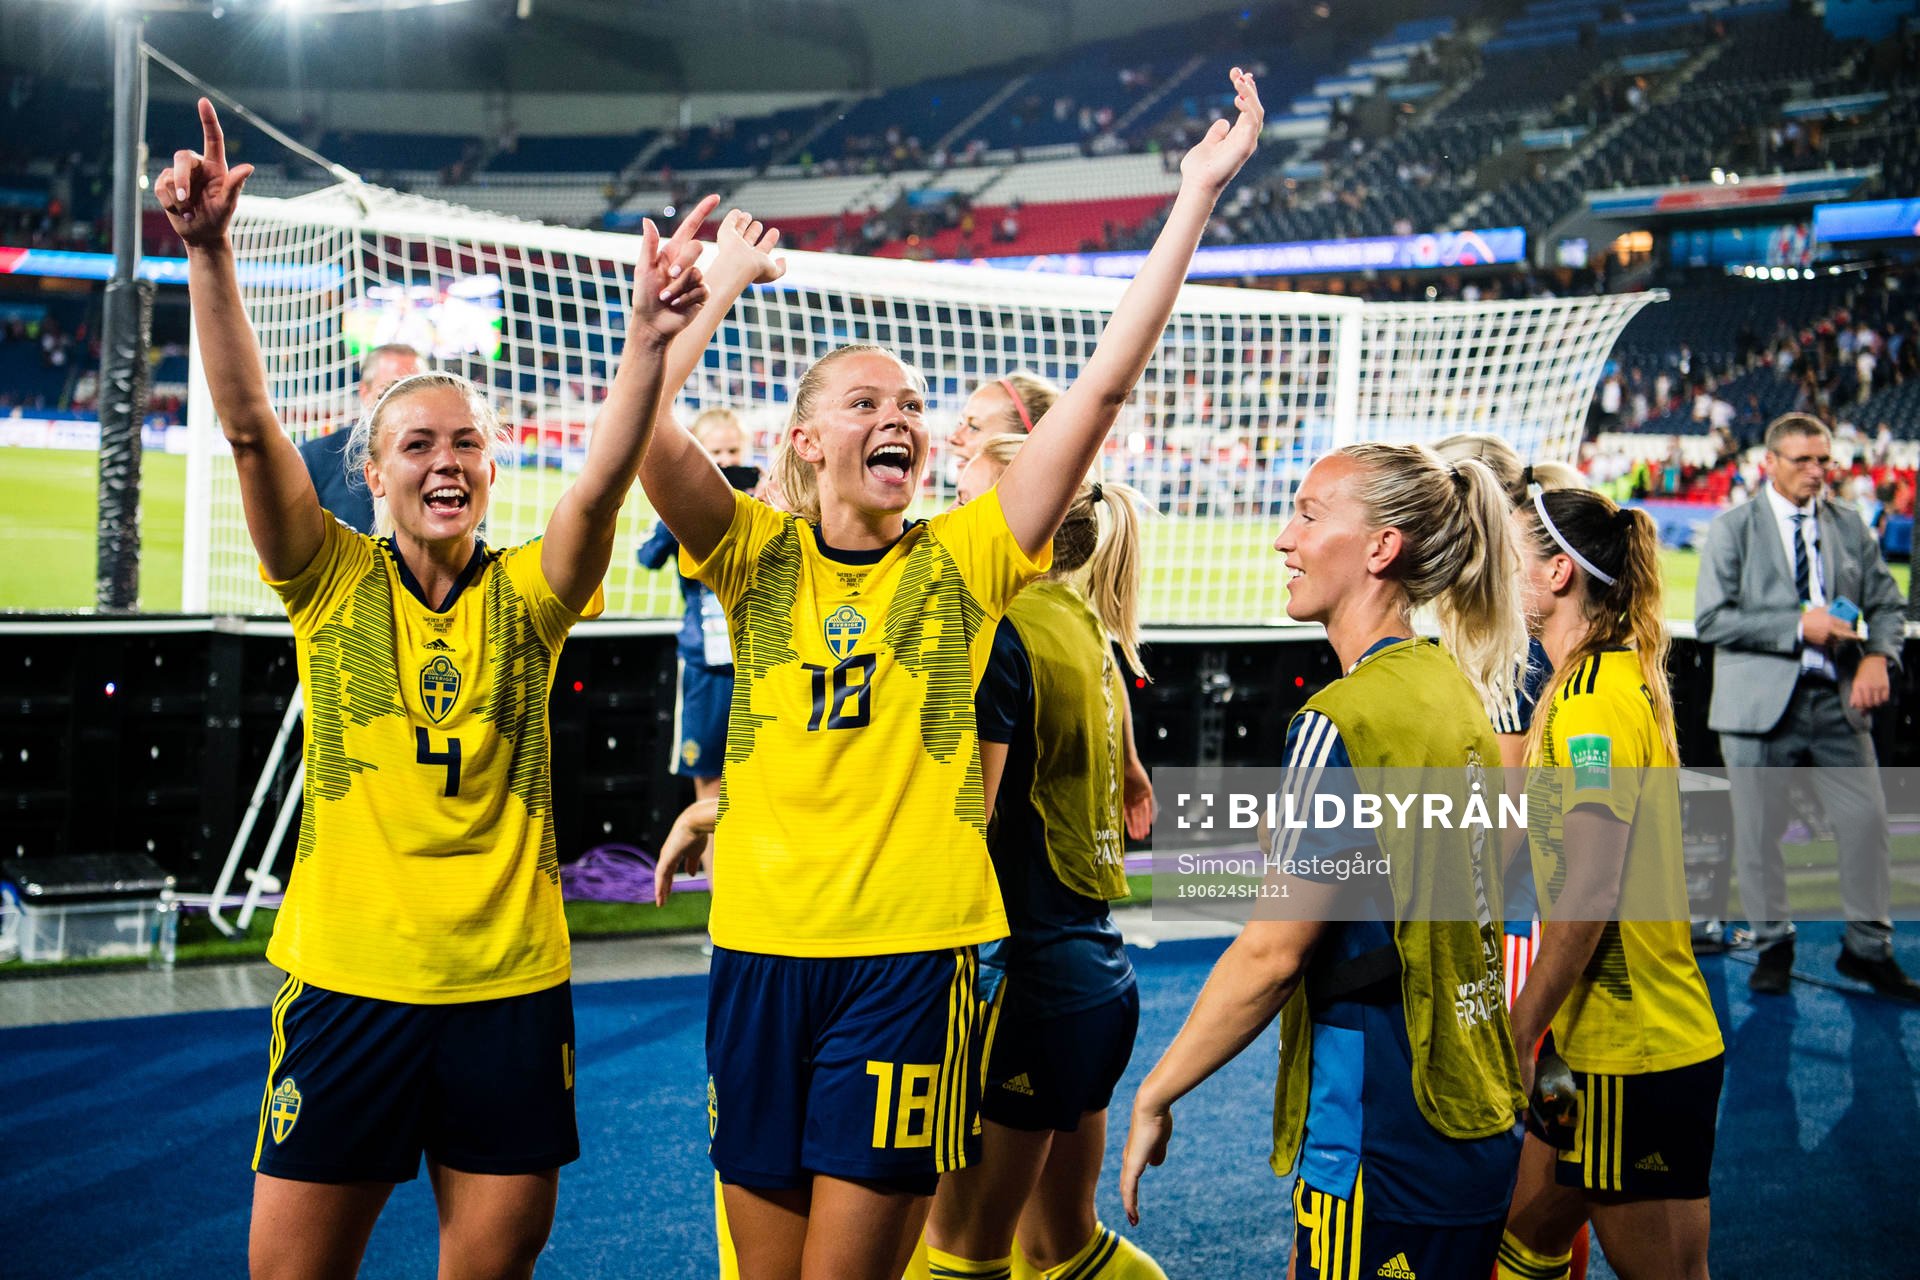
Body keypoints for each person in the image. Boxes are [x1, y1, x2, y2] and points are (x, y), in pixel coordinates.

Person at [640, 69, 1263, 1280]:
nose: (904, 417)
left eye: (914, 405)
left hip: (913, 963)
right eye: (868, 400)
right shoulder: (752, 555)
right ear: (809, 441)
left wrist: (1189, 198)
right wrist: (705, 298)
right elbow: (645, 434)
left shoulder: (971, 560)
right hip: (758, 956)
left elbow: (1101, 388)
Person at [157, 99, 711, 1278]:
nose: (445, 460)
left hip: (508, 994)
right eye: (417, 444)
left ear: (492, 465)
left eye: (465, 442)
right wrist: (209, 254)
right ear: (371, 475)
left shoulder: (531, 594)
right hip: (350, 988)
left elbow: (605, 484)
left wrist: (654, 343)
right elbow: (254, 434)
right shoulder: (328, 577)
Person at [1120, 442, 1528, 1280]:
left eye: (1308, 514)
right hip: (1471, 1112)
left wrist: (1155, 1092)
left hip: (1381, 1132)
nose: (1283, 539)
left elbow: (1273, 954)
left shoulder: (1340, 720)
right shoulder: (1450, 687)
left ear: (1381, 548)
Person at [916, 434, 1163, 1279]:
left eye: (969, 497)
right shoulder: (1081, 620)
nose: (948, 515)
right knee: (1062, 1248)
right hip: (1091, 976)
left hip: (1022, 982)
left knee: (958, 1255)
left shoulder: (1001, 630)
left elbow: (963, 823)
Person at [1500, 487, 1724, 1280]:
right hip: (1584, 1051)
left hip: (1637, 1058)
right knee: (1523, 1245)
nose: (1501, 572)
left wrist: (1520, 1027)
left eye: (1513, 558)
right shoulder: (1583, 684)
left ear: (1558, 574)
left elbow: (1591, 889)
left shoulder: (1592, 707)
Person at [1694, 412, 1916, 1000]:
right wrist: (1798, 626)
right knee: (1759, 832)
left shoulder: (1849, 526)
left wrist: (1879, 658)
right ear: (1771, 462)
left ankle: (1868, 949)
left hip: (1837, 700)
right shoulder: (1732, 528)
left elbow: (1888, 608)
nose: (1818, 471)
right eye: (1804, 461)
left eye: (1825, 461)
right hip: (1756, 707)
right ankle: (1773, 942)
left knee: (1867, 822)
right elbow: (1711, 620)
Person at [637, 407, 755, 813]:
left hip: (758, 661)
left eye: (732, 451)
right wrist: (679, 508)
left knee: (758, 777)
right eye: (714, 451)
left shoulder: (764, 509)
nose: (724, 461)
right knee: (709, 783)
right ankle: (717, 877)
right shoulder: (679, 506)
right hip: (704, 663)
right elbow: (647, 557)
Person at [297, 343, 422, 534]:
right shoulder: (315, 458)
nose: (406, 401)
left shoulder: (449, 460)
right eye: (393, 389)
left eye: (417, 390)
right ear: (365, 392)